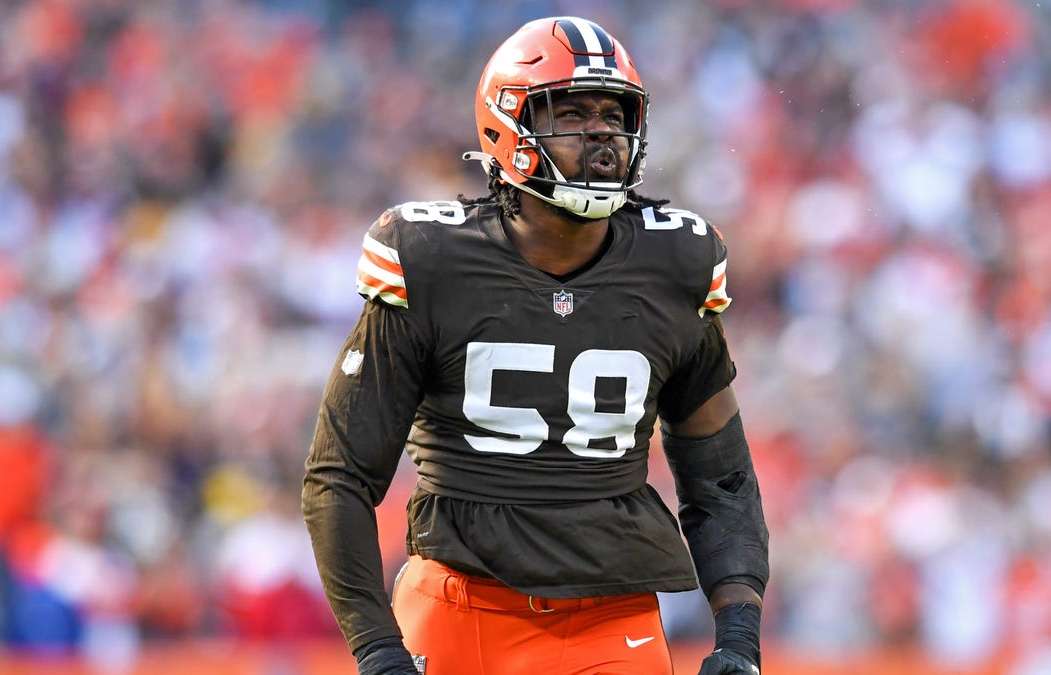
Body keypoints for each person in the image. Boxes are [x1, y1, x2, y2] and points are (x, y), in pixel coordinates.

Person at [302, 15, 769, 675]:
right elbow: (340, 476)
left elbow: (722, 475)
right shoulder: (432, 260)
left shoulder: (676, 263)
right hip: (458, 603)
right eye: (571, 111)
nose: (602, 130)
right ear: (507, 126)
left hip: (612, 616)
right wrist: (378, 648)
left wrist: (740, 635)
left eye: (614, 111)